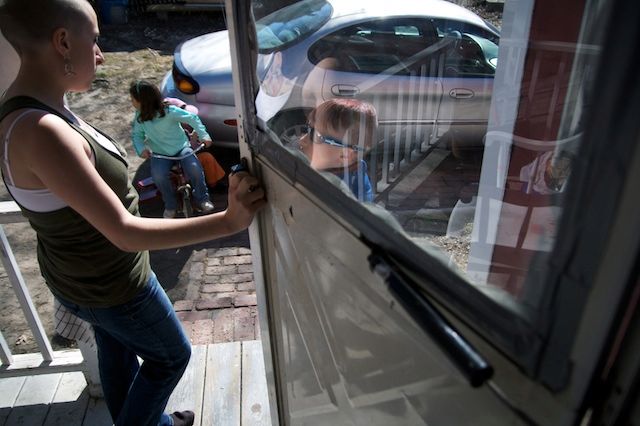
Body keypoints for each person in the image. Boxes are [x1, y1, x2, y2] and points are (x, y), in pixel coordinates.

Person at [0, 1, 266, 426]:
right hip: (113, 285)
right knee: (171, 356)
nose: (101, 55)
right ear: (63, 42)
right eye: (95, 40)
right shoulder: (42, 131)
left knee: (117, 351)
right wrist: (229, 221)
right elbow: (124, 232)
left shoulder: (25, 109)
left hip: (79, 279)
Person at [130, 80, 215, 218]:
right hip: (160, 154)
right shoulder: (140, 118)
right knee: (158, 175)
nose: (132, 102)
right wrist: (141, 149)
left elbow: (192, 118)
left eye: (133, 99)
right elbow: (137, 135)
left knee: (194, 168)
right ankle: (171, 205)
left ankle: (202, 199)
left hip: (182, 149)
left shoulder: (169, 111)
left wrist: (203, 135)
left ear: (143, 101)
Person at [299, 98, 377, 202]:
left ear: (345, 156)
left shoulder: (339, 189)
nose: (302, 140)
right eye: (308, 128)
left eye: (316, 136)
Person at [164, 96, 226, 190]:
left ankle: (212, 183)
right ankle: (209, 185)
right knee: (205, 158)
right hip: (175, 163)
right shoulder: (169, 132)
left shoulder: (185, 130)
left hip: (184, 159)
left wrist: (195, 139)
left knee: (206, 157)